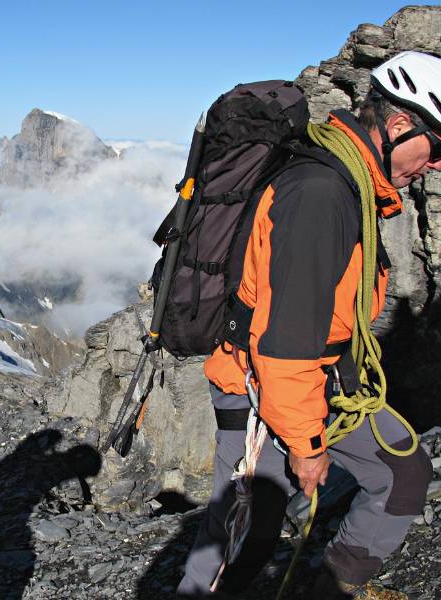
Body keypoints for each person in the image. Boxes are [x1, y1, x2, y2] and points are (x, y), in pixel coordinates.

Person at [176, 51, 441, 599]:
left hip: (325, 381)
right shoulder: (321, 194)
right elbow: (285, 342)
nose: (436, 165)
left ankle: (331, 589)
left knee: (401, 473)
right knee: (242, 538)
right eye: (437, 147)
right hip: (260, 385)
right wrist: (306, 445)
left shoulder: (349, 181)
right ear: (397, 126)